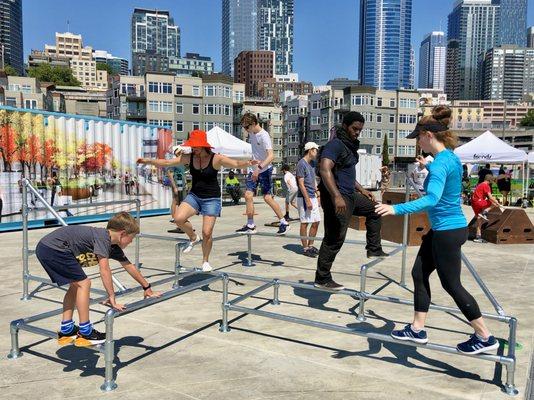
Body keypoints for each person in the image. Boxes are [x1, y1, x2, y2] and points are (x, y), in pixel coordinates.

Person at [375, 106, 500, 355]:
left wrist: (395, 209)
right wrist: (428, 167)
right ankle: (417, 329)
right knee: (419, 273)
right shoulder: (449, 158)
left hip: (447, 231)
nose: (417, 142)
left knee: (451, 284)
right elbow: (445, 180)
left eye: (418, 137)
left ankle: (484, 336)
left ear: (428, 135)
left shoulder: (442, 162)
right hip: (444, 229)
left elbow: (432, 199)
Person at [35, 212, 161, 347]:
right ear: (122, 234)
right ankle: (85, 332)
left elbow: (129, 266)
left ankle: (67, 329)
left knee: (76, 286)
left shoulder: (112, 246)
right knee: (84, 283)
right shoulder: (103, 238)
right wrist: (112, 297)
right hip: (54, 249)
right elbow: (104, 270)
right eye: (132, 237)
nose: (131, 241)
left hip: (48, 248)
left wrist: (147, 287)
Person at [138, 130, 257, 272]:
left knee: (207, 232)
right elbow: (168, 162)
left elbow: (235, 163)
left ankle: (205, 261)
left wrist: (248, 163)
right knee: (178, 218)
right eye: (192, 147)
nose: (193, 149)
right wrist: (148, 161)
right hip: (194, 196)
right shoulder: (189, 157)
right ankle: (194, 238)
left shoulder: (216, 158)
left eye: (196, 147)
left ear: (203, 146)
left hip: (211, 199)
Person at [314, 111, 387, 291]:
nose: (357, 132)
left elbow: (346, 173)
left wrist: (362, 189)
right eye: (354, 128)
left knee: (376, 209)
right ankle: (322, 278)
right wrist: (336, 196)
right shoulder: (336, 145)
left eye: (360, 130)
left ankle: (374, 248)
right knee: (335, 238)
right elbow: (325, 170)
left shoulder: (349, 146)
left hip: (350, 195)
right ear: (346, 126)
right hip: (337, 197)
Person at [236, 113, 290, 235]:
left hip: (265, 169)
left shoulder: (264, 136)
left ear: (254, 124)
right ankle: (250, 225)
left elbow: (271, 156)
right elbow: (255, 151)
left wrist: (258, 168)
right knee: (248, 195)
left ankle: (284, 223)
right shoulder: (251, 132)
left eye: (246, 127)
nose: (245, 130)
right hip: (254, 169)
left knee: (267, 197)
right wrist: (251, 163)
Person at [296, 142, 321, 258]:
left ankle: (311, 245)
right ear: (310, 150)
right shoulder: (301, 164)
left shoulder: (312, 164)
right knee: (305, 222)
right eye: (316, 150)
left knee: (316, 221)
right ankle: (305, 248)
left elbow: (313, 180)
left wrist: (317, 192)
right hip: (304, 197)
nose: (316, 153)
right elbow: (301, 184)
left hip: (313, 196)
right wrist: (307, 200)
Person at [471, 174, 504, 243]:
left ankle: (478, 237)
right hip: (478, 202)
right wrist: (497, 203)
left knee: (479, 219)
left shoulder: (480, 184)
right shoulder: (486, 185)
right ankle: (485, 212)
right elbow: (491, 197)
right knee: (494, 200)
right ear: (489, 180)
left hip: (474, 203)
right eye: (491, 181)